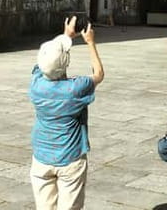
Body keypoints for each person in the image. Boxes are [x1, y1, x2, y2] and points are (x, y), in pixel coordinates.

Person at [29, 16, 105, 210]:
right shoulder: (75, 88)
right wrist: (90, 42)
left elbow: (44, 64)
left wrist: (65, 35)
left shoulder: (36, 85)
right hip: (70, 158)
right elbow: (98, 74)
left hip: (41, 158)